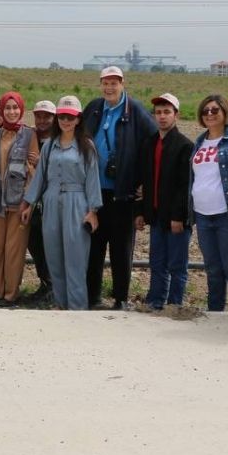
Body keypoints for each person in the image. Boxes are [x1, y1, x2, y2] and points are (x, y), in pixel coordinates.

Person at [83, 66, 156, 310]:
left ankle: (120, 299)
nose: (109, 88)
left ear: (123, 84)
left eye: (114, 83)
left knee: (121, 250)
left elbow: (153, 139)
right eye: (105, 83)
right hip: (95, 192)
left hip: (122, 193)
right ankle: (92, 297)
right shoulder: (94, 107)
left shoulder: (134, 110)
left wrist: (144, 180)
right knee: (94, 247)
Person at [21, 96, 101, 310]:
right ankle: (60, 303)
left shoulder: (87, 147)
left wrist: (93, 211)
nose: (65, 121)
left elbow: (93, 180)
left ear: (78, 119)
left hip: (76, 201)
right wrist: (30, 204)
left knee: (75, 258)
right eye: (62, 116)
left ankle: (77, 308)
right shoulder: (49, 146)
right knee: (54, 255)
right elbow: (40, 178)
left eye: (70, 117)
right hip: (51, 200)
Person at [189, 94, 228, 313]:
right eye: (205, 111)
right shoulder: (200, 141)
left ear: (226, 112)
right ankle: (215, 311)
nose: (209, 114)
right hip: (203, 214)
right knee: (213, 268)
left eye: (215, 110)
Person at [134, 93, 193, 311]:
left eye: (167, 112)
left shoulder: (184, 145)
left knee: (177, 265)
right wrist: (139, 211)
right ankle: (155, 301)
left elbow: (184, 186)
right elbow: (142, 182)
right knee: (157, 262)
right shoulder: (149, 144)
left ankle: (174, 305)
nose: (162, 117)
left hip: (176, 218)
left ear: (176, 115)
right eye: (158, 112)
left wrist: (179, 216)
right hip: (156, 215)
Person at [0, 91, 39, 305]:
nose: (11, 112)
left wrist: (28, 202)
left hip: (18, 202)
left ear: (21, 110)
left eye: (15, 108)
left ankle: (10, 295)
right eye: (8, 108)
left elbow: (33, 172)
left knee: (14, 251)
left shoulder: (29, 135)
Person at [23, 100, 56, 302]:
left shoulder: (61, 140)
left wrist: (41, 162)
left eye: (47, 116)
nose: (42, 120)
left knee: (51, 245)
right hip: (33, 202)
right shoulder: (29, 137)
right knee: (35, 244)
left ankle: (55, 286)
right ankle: (44, 283)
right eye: (39, 116)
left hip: (52, 201)